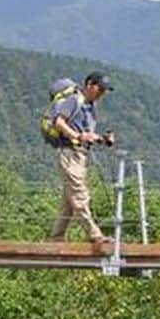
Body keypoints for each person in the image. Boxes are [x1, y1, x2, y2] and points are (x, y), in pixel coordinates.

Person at [48, 72, 114, 244]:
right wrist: (77, 136)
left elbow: (86, 133)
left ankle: (56, 239)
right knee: (79, 196)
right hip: (69, 153)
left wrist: (102, 139)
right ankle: (95, 235)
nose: (102, 94)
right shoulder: (74, 100)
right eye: (101, 89)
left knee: (69, 201)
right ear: (90, 85)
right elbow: (59, 122)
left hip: (80, 155)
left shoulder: (90, 106)